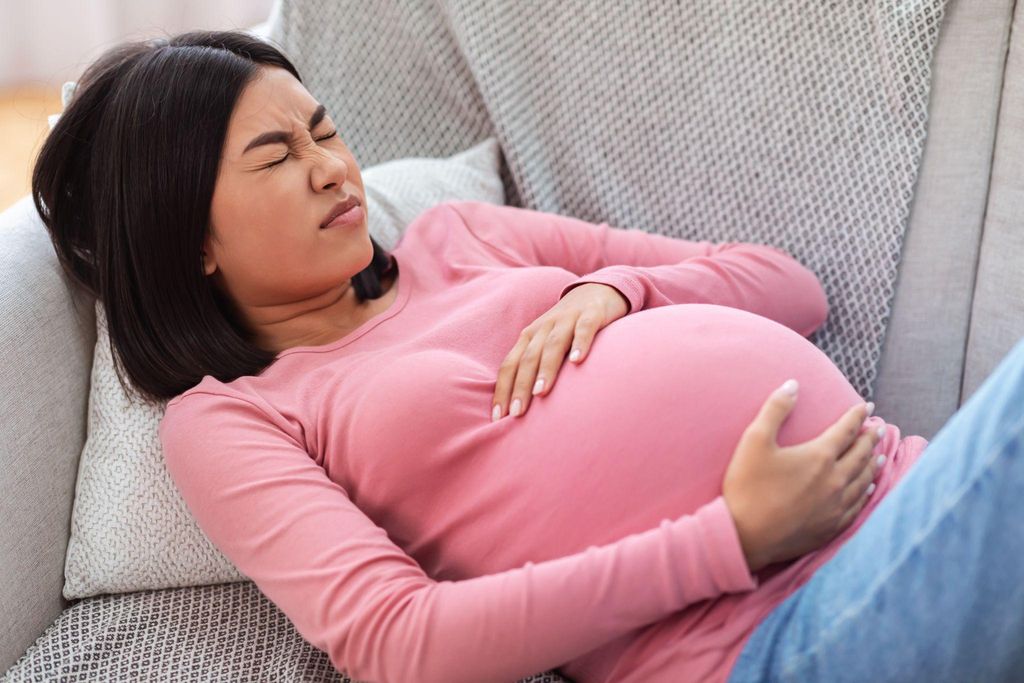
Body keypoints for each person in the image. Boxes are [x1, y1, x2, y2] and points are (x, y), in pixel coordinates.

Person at [30, 28, 1022, 683]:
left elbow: (783, 284)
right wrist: (732, 536)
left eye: (323, 131)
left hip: (911, 492)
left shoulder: (463, 237)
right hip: (774, 636)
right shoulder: (236, 418)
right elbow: (397, 640)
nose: (334, 166)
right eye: (276, 156)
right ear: (189, 239)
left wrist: (613, 288)